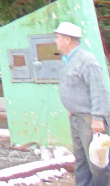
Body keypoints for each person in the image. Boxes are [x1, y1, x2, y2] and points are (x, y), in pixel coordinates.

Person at [55, 21, 110, 186]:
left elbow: (99, 90)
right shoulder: (68, 60)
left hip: (90, 120)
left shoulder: (86, 60)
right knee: (81, 161)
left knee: (98, 162)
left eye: (57, 37)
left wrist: (98, 117)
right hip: (77, 118)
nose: (55, 41)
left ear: (67, 40)